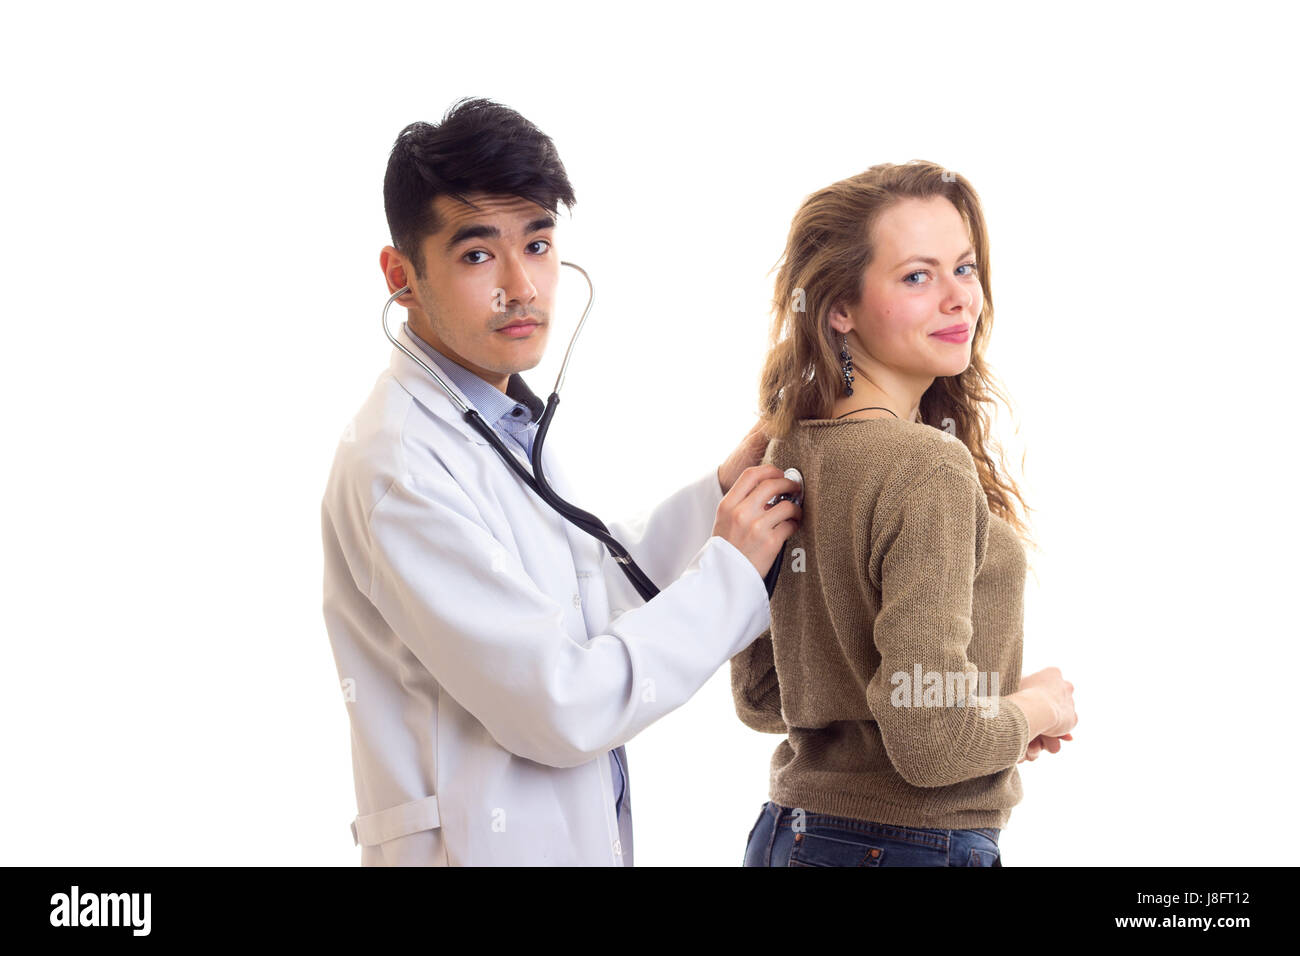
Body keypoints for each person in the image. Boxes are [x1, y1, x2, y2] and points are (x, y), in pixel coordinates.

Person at [321, 97, 802, 866]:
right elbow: (560, 702)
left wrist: (720, 494)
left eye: (538, 244)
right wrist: (730, 574)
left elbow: (584, 608)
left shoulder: (498, 422)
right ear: (401, 276)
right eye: (478, 255)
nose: (524, 285)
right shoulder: (399, 463)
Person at [731, 161, 1077, 867]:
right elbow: (934, 743)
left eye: (965, 268)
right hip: (906, 847)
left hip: (790, 838)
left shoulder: (787, 449)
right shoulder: (926, 465)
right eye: (917, 276)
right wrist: (1039, 707)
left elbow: (766, 698)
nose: (958, 299)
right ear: (839, 308)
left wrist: (991, 714)